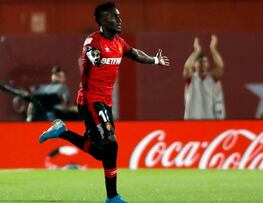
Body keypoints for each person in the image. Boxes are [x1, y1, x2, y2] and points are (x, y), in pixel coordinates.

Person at [38, 2, 170, 203]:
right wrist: (94, 58)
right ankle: (112, 198)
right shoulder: (93, 40)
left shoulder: (119, 42)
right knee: (111, 142)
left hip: (105, 103)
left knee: (102, 152)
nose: (118, 20)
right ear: (101, 20)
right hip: (91, 101)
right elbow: (90, 52)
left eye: (119, 16)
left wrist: (154, 60)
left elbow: (133, 53)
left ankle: (62, 131)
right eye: (113, 17)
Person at [183, 35, 225, 120]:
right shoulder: (191, 78)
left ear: (208, 64)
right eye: (199, 61)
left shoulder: (212, 77)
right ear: (194, 65)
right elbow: (187, 67)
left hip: (210, 120)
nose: (202, 63)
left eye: (205, 61)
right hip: (192, 120)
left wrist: (213, 49)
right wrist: (196, 51)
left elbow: (220, 66)